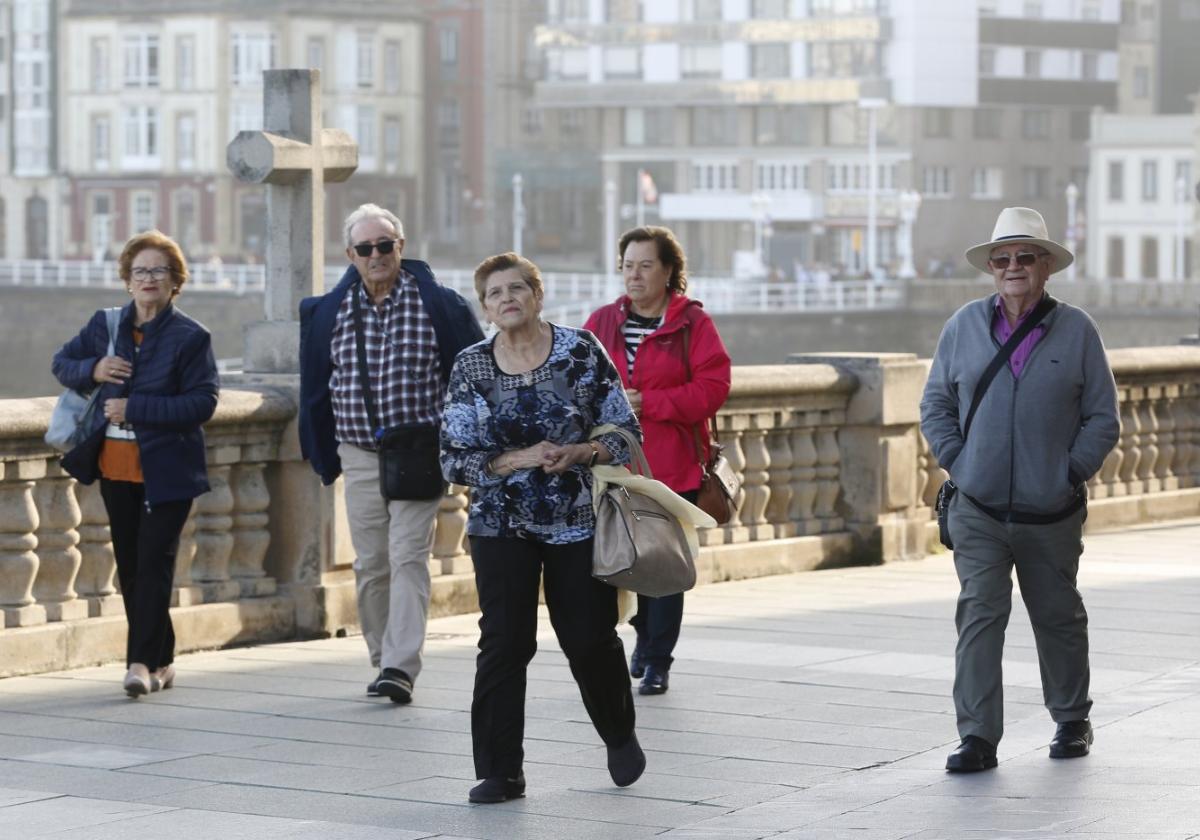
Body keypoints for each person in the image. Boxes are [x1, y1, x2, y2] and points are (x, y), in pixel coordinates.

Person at [920, 207, 1120, 773]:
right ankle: (978, 738)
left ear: (1046, 267)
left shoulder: (1077, 329)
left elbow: (1103, 418)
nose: (1012, 267)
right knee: (980, 615)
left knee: (1057, 614)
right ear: (990, 267)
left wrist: (1066, 472)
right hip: (978, 507)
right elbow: (935, 403)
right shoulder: (962, 326)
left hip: (1050, 509)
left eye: (1025, 257)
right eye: (1002, 258)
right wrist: (961, 462)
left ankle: (1071, 718)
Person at [441, 252, 646, 803]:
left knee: (588, 639)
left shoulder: (580, 351)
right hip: (499, 523)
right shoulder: (471, 367)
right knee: (505, 644)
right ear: (485, 308)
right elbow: (453, 459)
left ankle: (618, 732)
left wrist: (584, 449)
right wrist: (518, 458)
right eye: (494, 293)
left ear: (537, 294)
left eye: (517, 289)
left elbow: (626, 431)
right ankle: (500, 771)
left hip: (576, 522)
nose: (506, 299)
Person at [298, 203, 483, 705]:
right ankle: (383, 657)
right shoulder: (327, 312)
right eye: (366, 248)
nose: (376, 255)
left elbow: (473, 378)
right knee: (371, 563)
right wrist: (320, 451)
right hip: (357, 451)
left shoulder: (439, 305)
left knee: (408, 557)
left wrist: (460, 442)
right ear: (350, 255)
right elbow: (314, 386)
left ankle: (402, 665)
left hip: (420, 452)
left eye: (385, 245)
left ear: (401, 247)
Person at [52, 230, 219, 697]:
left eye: (159, 272)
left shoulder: (191, 336)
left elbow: (203, 403)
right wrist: (95, 369)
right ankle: (163, 660)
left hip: (169, 472)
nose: (148, 279)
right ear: (128, 279)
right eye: (140, 271)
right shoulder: (106, 325)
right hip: (115, 466)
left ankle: (140, 663)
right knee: (131, 567)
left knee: (153, 563)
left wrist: (136, 409)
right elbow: (61, 362)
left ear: (175, 282)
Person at [584, 226, 731, 696]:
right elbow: (578, 383)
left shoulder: (692, 324)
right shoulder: (602, 322)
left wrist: (651, 402)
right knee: (624, 558)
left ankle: (658, 659)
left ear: (669, 271)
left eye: (646, 265)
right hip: (613, 468)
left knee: (665, 565)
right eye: (628, 265)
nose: (635, 274)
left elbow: (713, 388)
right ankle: (643, 639)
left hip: (672, 466)